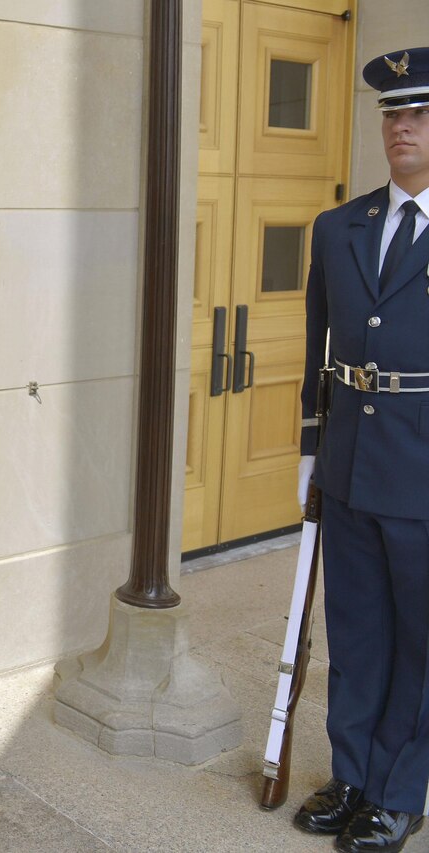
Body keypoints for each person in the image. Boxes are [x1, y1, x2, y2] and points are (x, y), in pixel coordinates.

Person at [293, 47, 429, 853]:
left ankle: (398, 789)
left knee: (420, 639)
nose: (401, 127)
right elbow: (319, 345)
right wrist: (311, 448)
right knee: (355, 628)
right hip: (348, 461)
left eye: (419, 113)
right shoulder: (339, 226)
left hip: (423, 470)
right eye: (392, 114)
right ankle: (351, 774)